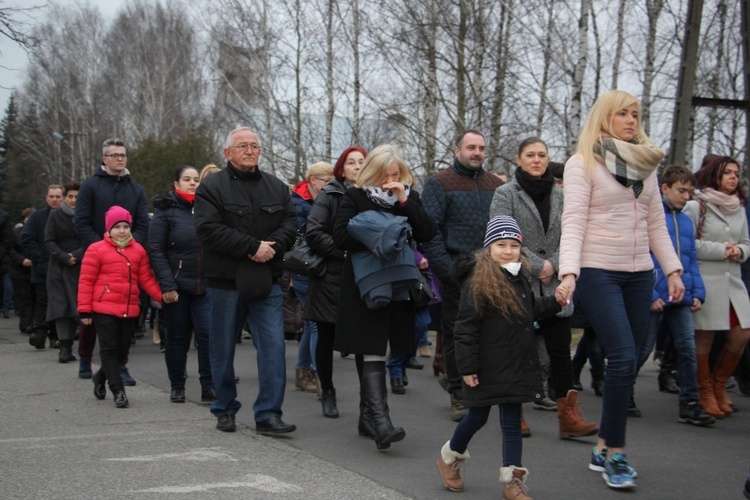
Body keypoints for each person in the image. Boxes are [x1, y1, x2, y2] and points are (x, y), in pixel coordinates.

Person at [557, 90, 684, 490]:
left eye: (635, 114)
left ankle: (601, 445)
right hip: (598, 271)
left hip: (639, 274)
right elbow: (573, 221)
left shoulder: (646, 165)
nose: (631, 120)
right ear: (604, 117)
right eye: (622, 114)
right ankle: (616, 456)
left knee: (626, 365)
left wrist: (673, 270)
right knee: (625, 356)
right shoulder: (583, 164)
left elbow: (656, 226)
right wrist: (569, 273)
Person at [436, 216, 563, 499]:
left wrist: (555, 301)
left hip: (514, 363)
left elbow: (529, 310)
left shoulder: (520, 276)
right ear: (488, 248)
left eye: (514, 245)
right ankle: (449, 458)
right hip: (484, 366)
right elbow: (465, 328)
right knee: (477, 417)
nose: (508, 251)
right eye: (501, 244)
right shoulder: (478, 281)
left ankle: (512, 480)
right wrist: (467, 367)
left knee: (511, 422)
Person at [490, 136, 598, 439]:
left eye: (542, 155)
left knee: (560, 350)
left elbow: (573, 235)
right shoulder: (505, 193)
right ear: (518, 159)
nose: (537, 160)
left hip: (555, 284)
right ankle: (516, 415)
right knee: (519, 351)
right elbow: (500, 236)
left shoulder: (562, 195)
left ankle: (568, 417)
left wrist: (554, 264)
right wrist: (537, 265)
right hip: (517, 280)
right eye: (530, 155)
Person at [332, 144, 436, 450]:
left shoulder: (407, 197)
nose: (390, 180)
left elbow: (428, 231)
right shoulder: (355, 197)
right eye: (384, 174)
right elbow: (339, 236)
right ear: (372, 174)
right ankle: (381, 422)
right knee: (372, 346)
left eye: (396, 174)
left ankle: (367, 418)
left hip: (400, 284)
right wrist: (384, 233)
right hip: (365, 283)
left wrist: (404, 204)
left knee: (389, 345)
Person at [194, 127, 298, 434]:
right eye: (243, 146)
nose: (250, 150)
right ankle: (224, 408)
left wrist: (272, 248)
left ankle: (268, 413)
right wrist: (252, 247)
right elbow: (209, 230)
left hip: (267, 281)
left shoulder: (277, 187)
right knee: (222, 348)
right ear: (228, 152)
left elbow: (291, 224)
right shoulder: (211, 188)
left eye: (255, 146)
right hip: (225, 283)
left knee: (273, 347)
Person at [421, 130, 503, 421]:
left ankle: (480, 388)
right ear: (457, 151)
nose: (477, 152)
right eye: (471, 147)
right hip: (457, 271)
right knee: (458, 335)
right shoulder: (439, 183)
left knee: (489, 334)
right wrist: (448, 271)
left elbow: (503, 227)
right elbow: (430, 233)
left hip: (492, 273)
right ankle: (458, 393)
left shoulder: (495, 185)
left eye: (481, 147)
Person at [633, 165, 714, 425]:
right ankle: (622, 394)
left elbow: (690, 261)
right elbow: (644, 258)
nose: (686, 196)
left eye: (690, 192)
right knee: (642, 349)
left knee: (687, 350)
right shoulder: (649, 218)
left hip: (681, 296)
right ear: (664, 188)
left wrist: (697, 293)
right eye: (681, 190)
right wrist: (650, 294)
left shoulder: (686, 222)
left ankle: (690, 404)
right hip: (656, 294)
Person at [75, 138, 149, 386]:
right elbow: (82, 222)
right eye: (115, 155)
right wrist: (102, 248)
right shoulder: (90, 187)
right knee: (91, 315)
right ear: (104, 159)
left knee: (125, 318)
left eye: (123, 155)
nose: (120, 158)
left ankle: (120, 365)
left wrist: (129, 248)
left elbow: (142, 225)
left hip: (128, 262)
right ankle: (85, 358)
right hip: (97, 259)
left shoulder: (136, 190)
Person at [78, 206, 167, 408]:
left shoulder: (138, 251)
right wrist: (84, 310)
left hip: (129, 309)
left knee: (121, 352)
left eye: (125, 226)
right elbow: (86, 281)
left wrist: (162, 297)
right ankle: (118, 390)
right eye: (117, 227)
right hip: (103, 309)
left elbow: (146, 279)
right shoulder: (96, 249)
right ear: (109, 229)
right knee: (109, 350)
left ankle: (100, 377)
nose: (122, 231)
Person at [683, 155, 750, 419]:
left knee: (742, 334)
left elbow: (746, 242)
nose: (733, 177)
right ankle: (705, 391)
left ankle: (719, 384)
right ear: (714, 175)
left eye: (736, 172)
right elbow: (689, 245)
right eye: (727, 173)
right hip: (707, 279)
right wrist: (722, 249)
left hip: (733, 281)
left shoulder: (739, 207)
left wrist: (740, 251)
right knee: (705, 339)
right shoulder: (696, 205)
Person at [306, 146, 366, 419]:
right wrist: (341, 250)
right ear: (341, 169)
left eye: (361, 162)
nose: (356, 166)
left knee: (364, 342)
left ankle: (369, 402)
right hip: (331, 276)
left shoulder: (373, 193)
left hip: (363, 277)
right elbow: (314, 232)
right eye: (351, 162)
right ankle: (327, 390)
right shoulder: (330, 194)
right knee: (326, 337)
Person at [148, 166, 215, 404]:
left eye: (196, 179)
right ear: (176, 184)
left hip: (205, 286)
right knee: (177, 338)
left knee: (208, 335)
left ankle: (209, 385)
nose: (193, 183)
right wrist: (167, 285)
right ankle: (177, 385)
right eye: (187, 179)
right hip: (176, 286)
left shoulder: (208, 209)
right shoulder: (165, 212)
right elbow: (155, 250)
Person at [289, 161, 334, 395]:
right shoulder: (297, 205)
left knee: (310, 324)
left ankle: (302, 371)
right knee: (317, 323)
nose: (330, 185)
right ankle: (319, 376)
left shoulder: (323, 200)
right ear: (313, 180)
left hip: (317, 268)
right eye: (326, 181)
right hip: (305, 269)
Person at [44, 181, 83, 363]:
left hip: (81, 265)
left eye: (77, 197)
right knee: (61, 308)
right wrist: (63, 256)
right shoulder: (55, 215)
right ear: (65, 198)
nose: (74, 200)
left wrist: (76, 255)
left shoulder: (86, 215)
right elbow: (49, 240)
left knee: (78, 306)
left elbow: (92, 238)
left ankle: (82, 345)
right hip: (59, 267)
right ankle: (64, 347)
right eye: (70, 196)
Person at [22, 185, 64, 349]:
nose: (54, 199)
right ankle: (40, 332)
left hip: (62, 267)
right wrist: (40, 258)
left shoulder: (68, 217)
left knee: (59, 302)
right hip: (42, 268)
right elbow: (27, 239)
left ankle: (57, 337)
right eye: (52, 196)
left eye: (58, 196)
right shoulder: (37, 217)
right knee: (42, 301)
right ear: (46, 198)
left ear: (63, 198)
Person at [8, 208, 34, 335]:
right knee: (24, 299)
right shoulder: (15, 233)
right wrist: (22, 260)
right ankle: (26, 324)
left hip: (34, 269)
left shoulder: (38, 232)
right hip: (19, 271)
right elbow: (10, 250)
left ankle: (34, 323)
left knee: (35, 298)